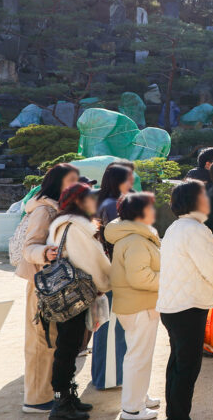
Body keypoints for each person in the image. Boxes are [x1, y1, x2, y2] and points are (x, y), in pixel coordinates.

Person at [156, 180, 213, 420]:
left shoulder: (176, 227)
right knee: (187, 366)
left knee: (177, 363)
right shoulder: (196, 230)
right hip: (189, 306)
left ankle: (174, 413)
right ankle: (178, 415)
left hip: (173, 306)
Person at [17, 163, 79, 415]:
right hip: (41, 283)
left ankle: (48, 394)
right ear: (58, 183)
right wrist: (45, 252)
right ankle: (36, 398)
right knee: (40, 339)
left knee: (51, 338)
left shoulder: (57, 208)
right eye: (71, 180)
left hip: (53, 283)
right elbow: (29, 247)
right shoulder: (44, 210)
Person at [46, 183, 112, 419]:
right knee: (68, 347)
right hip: (76, 294)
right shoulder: (77, 227)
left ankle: (67, 397)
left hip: (63, 293)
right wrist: (105, 284)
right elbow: (91, 262)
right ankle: (61, 404)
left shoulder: (61, 224)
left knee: (69, 346)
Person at [104, 193, 161, 420]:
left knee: (138, 355)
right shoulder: (137, 240)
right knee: (138, 357)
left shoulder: (134, 236)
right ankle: (132, 408)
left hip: (135, 305)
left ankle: (139, 397)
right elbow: (140, 278)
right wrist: (169, 277)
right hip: (141, 306)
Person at [91, 162, 135, 391]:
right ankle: (110, 378)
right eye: (129, 177)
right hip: (115, 274)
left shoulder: (104, 202)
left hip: (108, 272)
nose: (132, 181)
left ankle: (107, 374)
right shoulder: (113, 205)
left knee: (109, 325)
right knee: (112, 326)